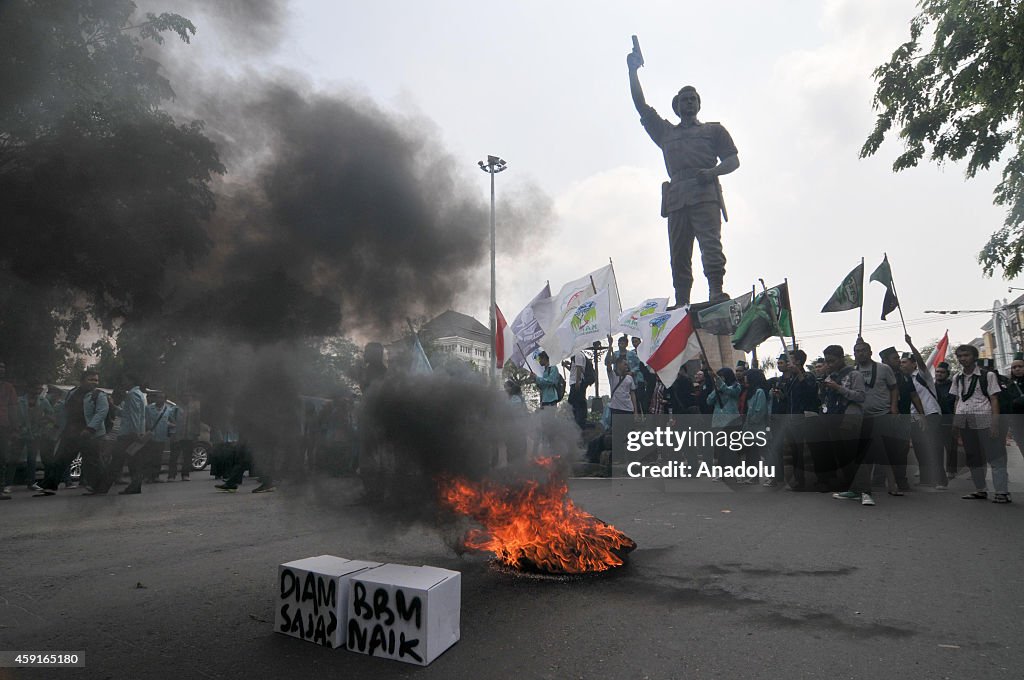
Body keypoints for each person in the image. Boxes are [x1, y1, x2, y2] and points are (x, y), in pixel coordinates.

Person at [627, 45, 739, 307]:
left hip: (705, 192)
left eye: (693, 99)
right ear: (676, 106)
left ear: (699, 104)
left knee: (711, 247)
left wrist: (713, 171)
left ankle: (716, 291)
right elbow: (641, 107)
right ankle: (682, 301)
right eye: (684, 99)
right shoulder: (666, 133)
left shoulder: (714, 131)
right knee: (678, 254)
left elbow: (733, 160)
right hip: (677, 198)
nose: (689, 102)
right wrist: (633, 71)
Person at [950, 344, 1009, 503]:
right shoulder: (957, 377)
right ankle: (980, 490)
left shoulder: (987, 375)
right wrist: (956, 423)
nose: (963, 359)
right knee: (974, 458)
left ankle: (1002, 492)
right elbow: (957, 400)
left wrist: (995, 424)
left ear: (974, 357)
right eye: (960, 356)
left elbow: (994, 399)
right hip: (966, 422)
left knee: (995, 457)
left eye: (966, 355)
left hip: (984, 420)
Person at [36, 369, 108, 496]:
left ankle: (99, 487)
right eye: (91, 379)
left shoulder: (99, 395)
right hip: (71, 433)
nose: (94, 382)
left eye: (96, 380)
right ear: (82, 381)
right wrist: (60, 427)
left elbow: (101, 413)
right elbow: (65, 410)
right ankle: (50, 486)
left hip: (90, 434)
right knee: (60, 459)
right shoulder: (72, 393)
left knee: (92, 461)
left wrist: (90, 429)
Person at [903, 335, 946, 489]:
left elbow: (921, 361)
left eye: (905, 362)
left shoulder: (923, 376)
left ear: (914, 364)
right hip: (915, 418)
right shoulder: (905, 380)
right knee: (920, 449)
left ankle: (941, 480)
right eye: (900, 362)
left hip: (930, 415)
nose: (902, 365)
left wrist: (911, 344)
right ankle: (926, 479)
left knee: (934, 447)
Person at [16, 382, 55, 493]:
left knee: (32, 459)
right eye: (36, 388)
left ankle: (31, 482)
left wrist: (45, 425)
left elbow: (51, 415)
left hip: (35, 433)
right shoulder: (20, 401)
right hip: (21, 433)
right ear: (29, 388)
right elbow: (14, 415)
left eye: (40, 388)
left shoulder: (43, 401)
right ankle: (6, 483)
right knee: (13, 459)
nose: (38, 391)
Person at [742, 369, 769, 484]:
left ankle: (771, 476)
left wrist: (751, 421)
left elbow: (759, 411)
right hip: (749, 428)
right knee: (752, 453)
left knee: (762, 452)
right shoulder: (751, 392)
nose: (745, 378)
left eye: (747, 376)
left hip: (757, 428)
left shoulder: (759, 392)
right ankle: (753, 477)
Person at [169, 391, 201, 481]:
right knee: (174, 457)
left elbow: (196, 423)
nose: (187, 398)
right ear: (181, 398)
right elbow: (171, 421)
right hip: (177, 436)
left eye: (188, 396)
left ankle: (185, 475)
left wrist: (196, 434)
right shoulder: (175, 408)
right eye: (185, 396)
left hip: (189, 436)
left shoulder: (194, 410)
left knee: (187, 457)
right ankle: (171, 475)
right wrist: (172, 434)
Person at [0, 360, 20, 499]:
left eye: (3, 367)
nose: (1, 370)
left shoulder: (8, 387)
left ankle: (1, 488)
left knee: (2, 458)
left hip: (3, 426)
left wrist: (15, 429)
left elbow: (13, 409)